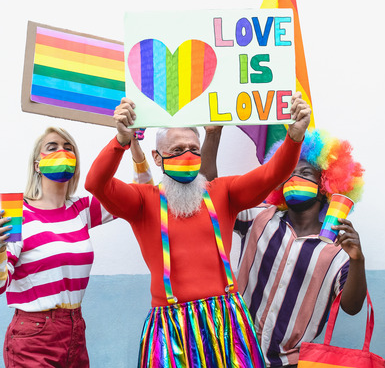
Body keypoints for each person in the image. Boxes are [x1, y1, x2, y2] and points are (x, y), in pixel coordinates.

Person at [85, 94, 310, 367]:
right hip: (171, 331)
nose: (187, 155)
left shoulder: (224, 192)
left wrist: (294, 138)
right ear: (157, 158)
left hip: (228, 324)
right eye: (177, 150)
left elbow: (272, 174)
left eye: (193, 149)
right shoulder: (142, 201)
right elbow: (96, 183)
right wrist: (120, 141)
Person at [202, 127, 367, 368]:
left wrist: (357, 261)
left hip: (292, 363)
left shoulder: (338, 250)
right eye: (289, 172)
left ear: (325, 187)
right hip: (236, 353)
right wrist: (213, 135)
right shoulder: (257, 218)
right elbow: (211, 196)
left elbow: (352, 307)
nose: (294, 178)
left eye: (305, 173)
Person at [0, 127, 119, 366]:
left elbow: (139, 196)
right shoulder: (17, 215)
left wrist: (130, 143)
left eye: (68, 148)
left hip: (76, 328)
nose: (62, 152)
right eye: (52, 147)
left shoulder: (81, 209)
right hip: (32, 335)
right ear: (37, 164)